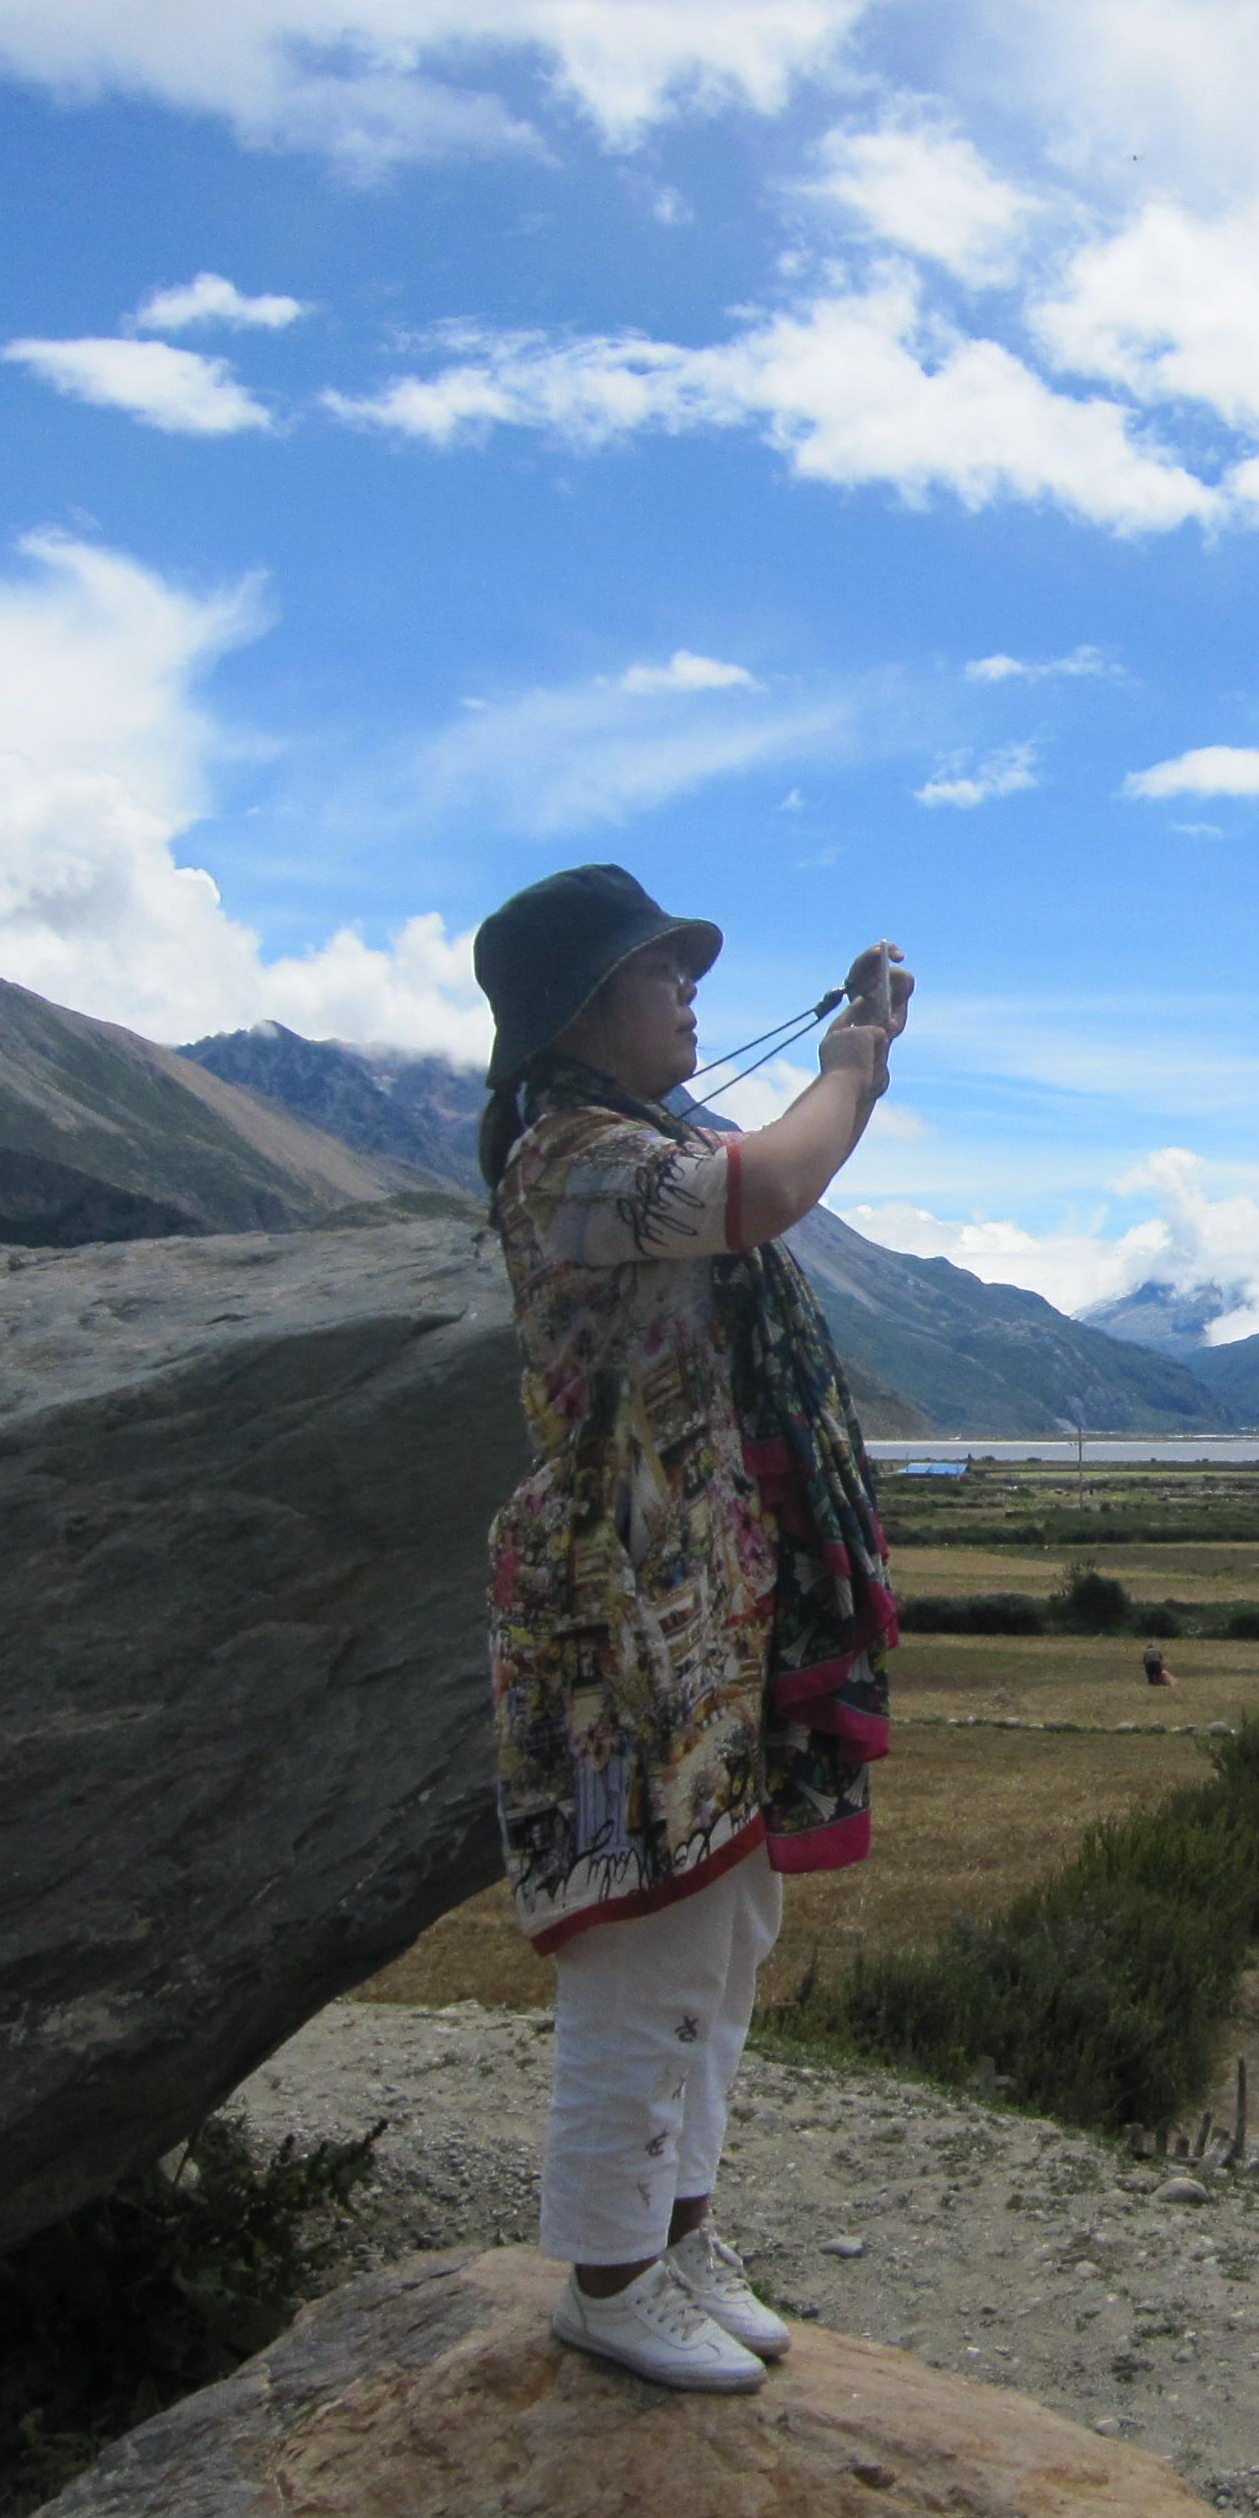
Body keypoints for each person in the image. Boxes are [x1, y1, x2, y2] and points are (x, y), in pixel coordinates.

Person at [471, 863, 911, 2392]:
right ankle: (605, 2274)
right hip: (621, 1619)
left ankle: (677, 2235)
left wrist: (851, 1057)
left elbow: (758, 1172)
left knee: (723, 1933)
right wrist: (850, 1066)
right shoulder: (572, 1163)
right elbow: (769, 1186)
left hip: (705, 1596)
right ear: (585, 1009)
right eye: (663, 972)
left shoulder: (634, 1145)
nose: (691, 993)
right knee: (645, 1946)